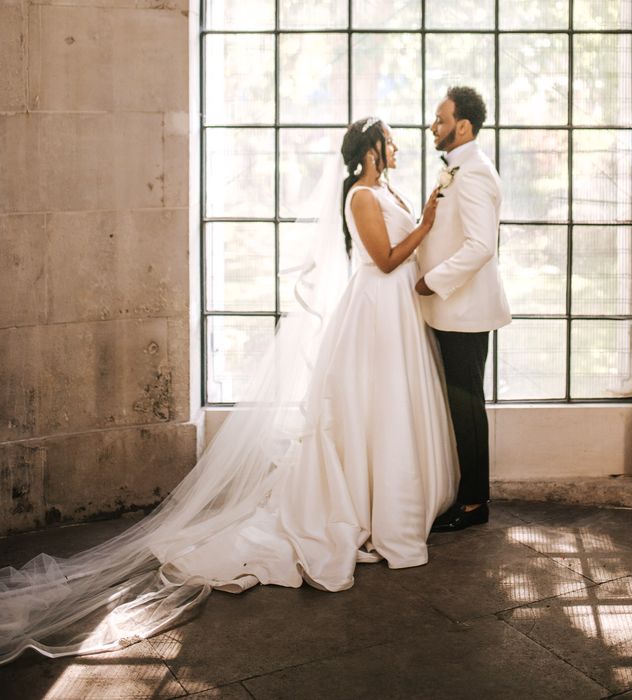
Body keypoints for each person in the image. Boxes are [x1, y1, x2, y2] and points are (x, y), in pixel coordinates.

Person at [0, 117, 457, 664]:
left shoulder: (385, 188)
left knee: (390, 410)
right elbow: (384, 260)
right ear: (371, 150)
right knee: (371, 409)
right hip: (374, 313)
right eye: (391, 139)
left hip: (395, 313)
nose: (401, 145)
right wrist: (428, 221)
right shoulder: (361, 194)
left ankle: (391, 499)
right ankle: (364, 505)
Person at [416, 86, 511, 533]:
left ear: (463, 125)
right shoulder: (458, 169)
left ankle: (475, 503)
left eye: (440, 119)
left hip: (464, 311)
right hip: (453, 311)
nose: (433, 126)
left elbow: (480, 247)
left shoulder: (473, 173)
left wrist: (430, 282)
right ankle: (467, 493)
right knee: (460, 405)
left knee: (468, 407)